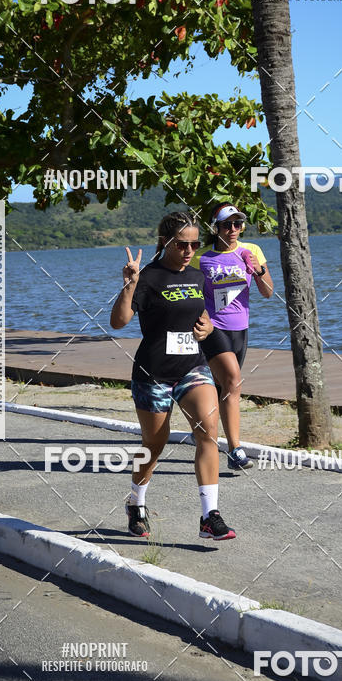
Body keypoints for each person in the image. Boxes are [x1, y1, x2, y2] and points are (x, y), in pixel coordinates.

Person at [110, 211, 236, 541]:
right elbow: (118, 322)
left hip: (192, 368)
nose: (189, 250)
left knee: (208, 432)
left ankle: (210, 516)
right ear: (165, 242)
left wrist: (208, 326)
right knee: (154, 444)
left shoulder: (196, 276)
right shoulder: (148, 277)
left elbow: (201, 313)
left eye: (195, 243)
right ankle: (136, 503)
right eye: (182, 244)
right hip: (153, 373)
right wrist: (129, 284)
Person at [190, 202, 273, 470]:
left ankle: (202, 429)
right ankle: (235, 451)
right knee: (233, 383)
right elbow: (189, 291)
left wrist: (258, 271)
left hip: (240, 328)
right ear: (216, 228)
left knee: (222, 387)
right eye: (227, 224)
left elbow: (268, 292)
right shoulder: (201, 257)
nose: (233, 229)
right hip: (212, 328)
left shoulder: (252, 251)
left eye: (238, 223)